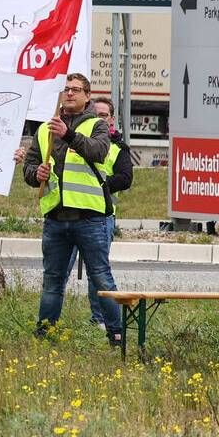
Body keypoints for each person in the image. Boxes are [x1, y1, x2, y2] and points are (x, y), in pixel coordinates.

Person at [23, 73, 123, 347]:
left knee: (101, 277)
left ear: (87, 96)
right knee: (52, 280)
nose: (69, 94)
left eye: (76, 90)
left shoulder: (96, 125)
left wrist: (68, 135)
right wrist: (36, 173)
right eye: (66, 89)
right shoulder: (45, 129)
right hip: (56, 217)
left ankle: (117, 334)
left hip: (90, 218)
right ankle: (45, 334)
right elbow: (29, 168)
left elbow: (99, 151)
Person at [75, 98, 136, 327]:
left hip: (101, 215)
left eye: (104, 115)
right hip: (69, 212)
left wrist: (100, 185)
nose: (99, 117)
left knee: (97, 272)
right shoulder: (76, 139)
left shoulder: (117, 148)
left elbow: (125, 178)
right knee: (56, 275)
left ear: (111, 119)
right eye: (95, 113)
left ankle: (100, 320)